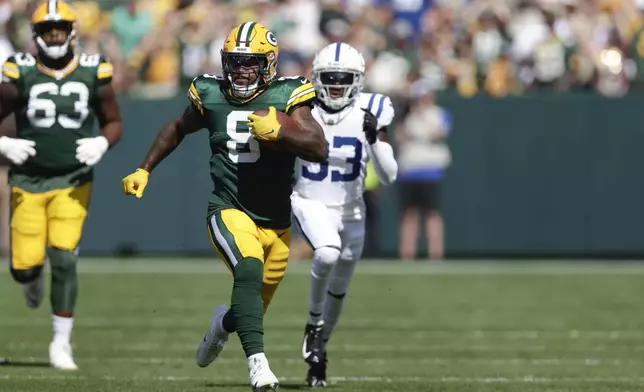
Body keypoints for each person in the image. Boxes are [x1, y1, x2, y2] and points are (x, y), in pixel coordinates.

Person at [121, 21, 327, 392]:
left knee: (249, 307)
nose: (241, 70)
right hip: (229, 209)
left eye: (250, 62)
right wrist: (144, 168)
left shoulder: (289, 94)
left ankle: (222, 326)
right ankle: (258, 366)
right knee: (246, 270)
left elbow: (318, 146)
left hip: (277, 222)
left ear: (269, 63)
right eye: (234, 62)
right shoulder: (211, 93)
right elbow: (177, 128)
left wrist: (283, 132)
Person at [0, 0, 122, 370]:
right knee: (23, 267)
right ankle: (31, 277)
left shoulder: (92, 70)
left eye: (59, 29)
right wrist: (3, 143)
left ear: (71, 32)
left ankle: (60, 343)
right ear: (36, 35)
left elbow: (113, 121)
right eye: (47, 30)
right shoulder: (20, 71)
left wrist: (103, 142)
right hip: (27, 178)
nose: (54, 37)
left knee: (65, 256)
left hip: (73, 179)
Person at [291, 42, 398, 387]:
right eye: (330, 79)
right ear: (316, 79)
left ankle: (319, 350)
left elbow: (389, 175)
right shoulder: (301, 106)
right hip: (310, 200)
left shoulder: (372, 111)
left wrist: (374, 139)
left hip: (352, 211)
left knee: (339, 289)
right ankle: (312, 323)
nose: (336, 86)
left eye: (344, 79)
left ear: (358, 80)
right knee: (326, 252)